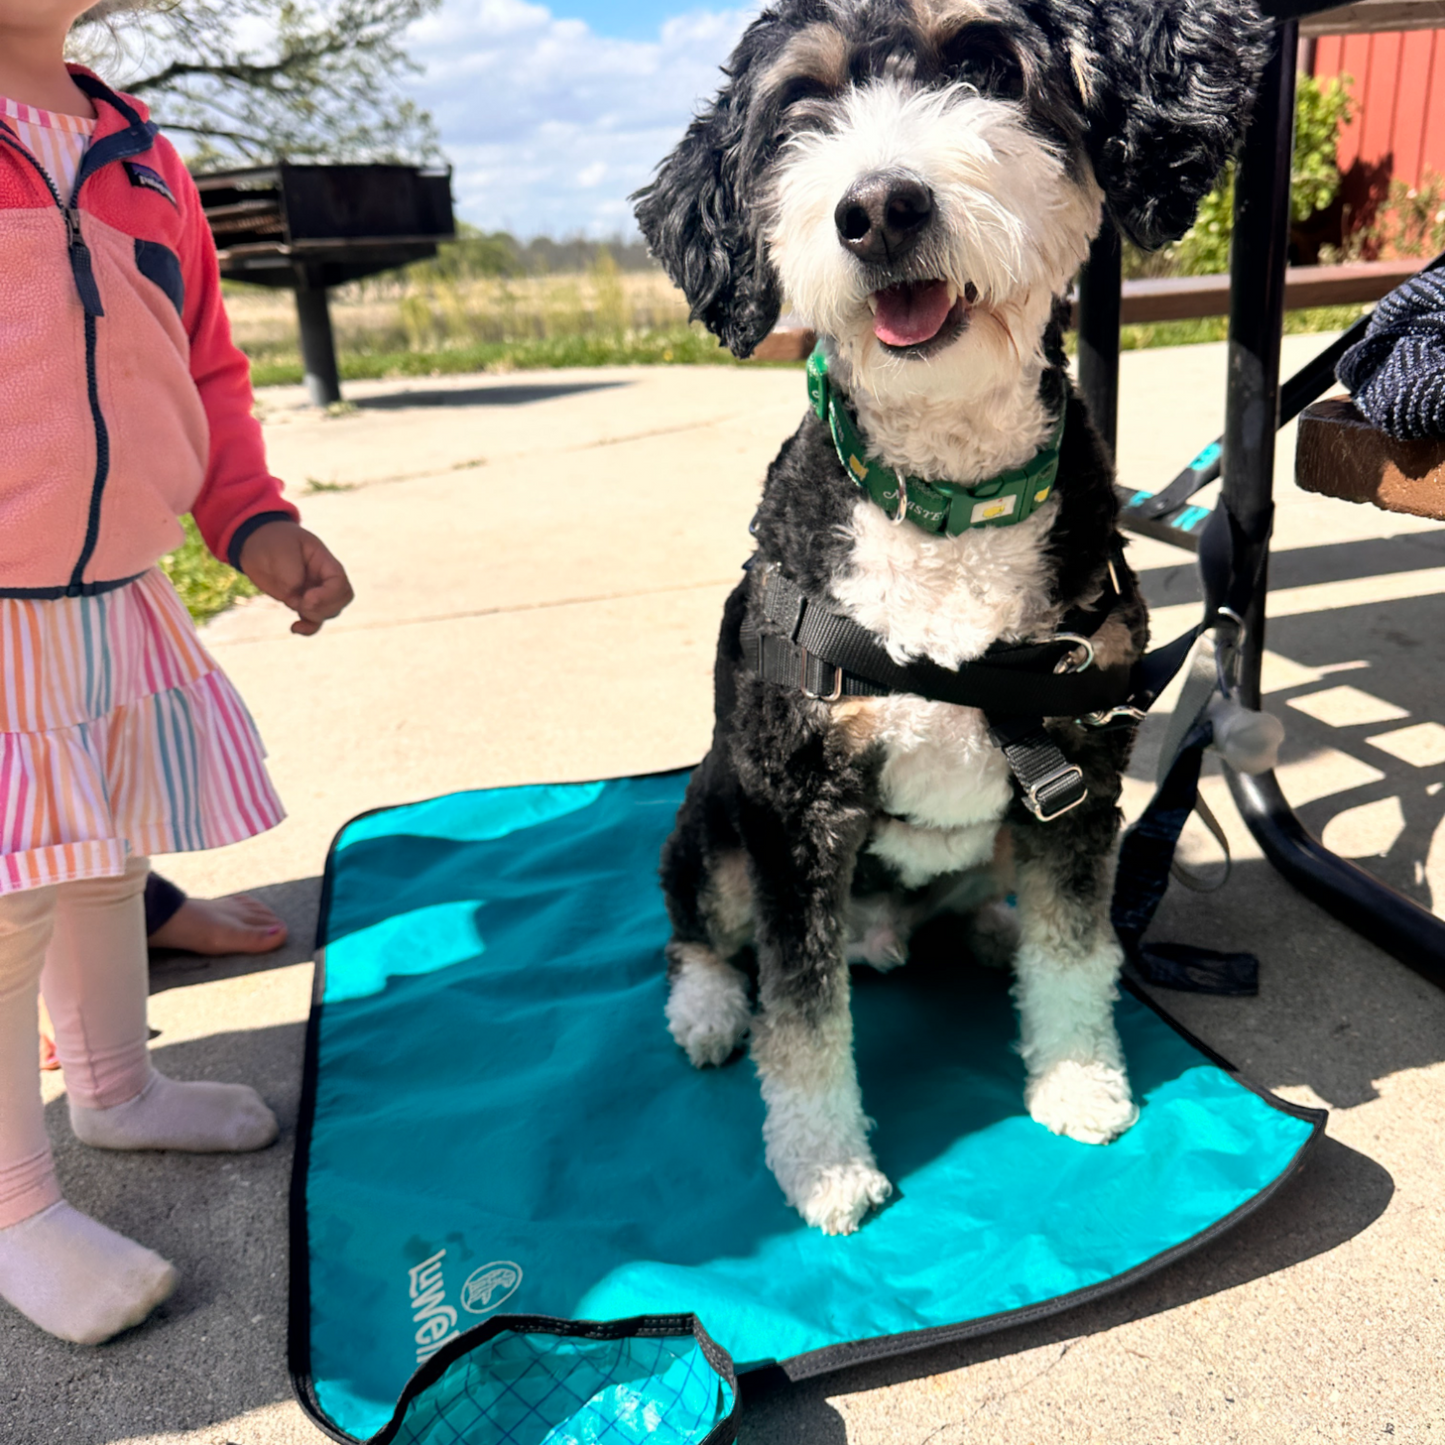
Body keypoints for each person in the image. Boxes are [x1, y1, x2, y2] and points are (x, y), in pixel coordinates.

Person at [0, 1, 354, 1346]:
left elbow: (202, 357)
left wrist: (250, 517)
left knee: (104, 854)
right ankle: (13, 1209)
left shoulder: (139, 150)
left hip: (114, 591)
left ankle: (114, 1087)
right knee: (6, 911)